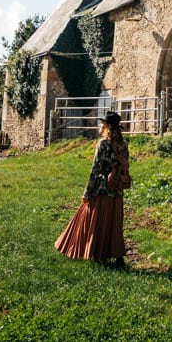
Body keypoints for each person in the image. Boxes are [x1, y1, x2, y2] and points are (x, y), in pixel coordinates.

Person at [55, 111, 129, 264]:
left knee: (99, 223)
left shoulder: (103, 144)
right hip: (117, 189)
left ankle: (97, 254)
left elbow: (95, 169)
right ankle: (118, 255)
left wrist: (87, 192)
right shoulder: (123, 145)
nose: (101, 126)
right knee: (114, 224)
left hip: (102, 188)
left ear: (108, 126)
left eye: (103, 124)